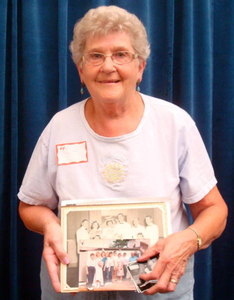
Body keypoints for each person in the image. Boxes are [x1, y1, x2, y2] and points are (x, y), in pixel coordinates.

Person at [18, 5, 227, 300]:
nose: (107, 66)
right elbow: (29, 207)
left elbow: (215, 211)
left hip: (157, 288)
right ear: (80, 69)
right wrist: (50, 224)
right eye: (95, 55)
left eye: (121, 54)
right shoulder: (59, 127)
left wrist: (188, 241)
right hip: (75, 290)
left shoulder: (175, 123)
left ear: (140, 66)